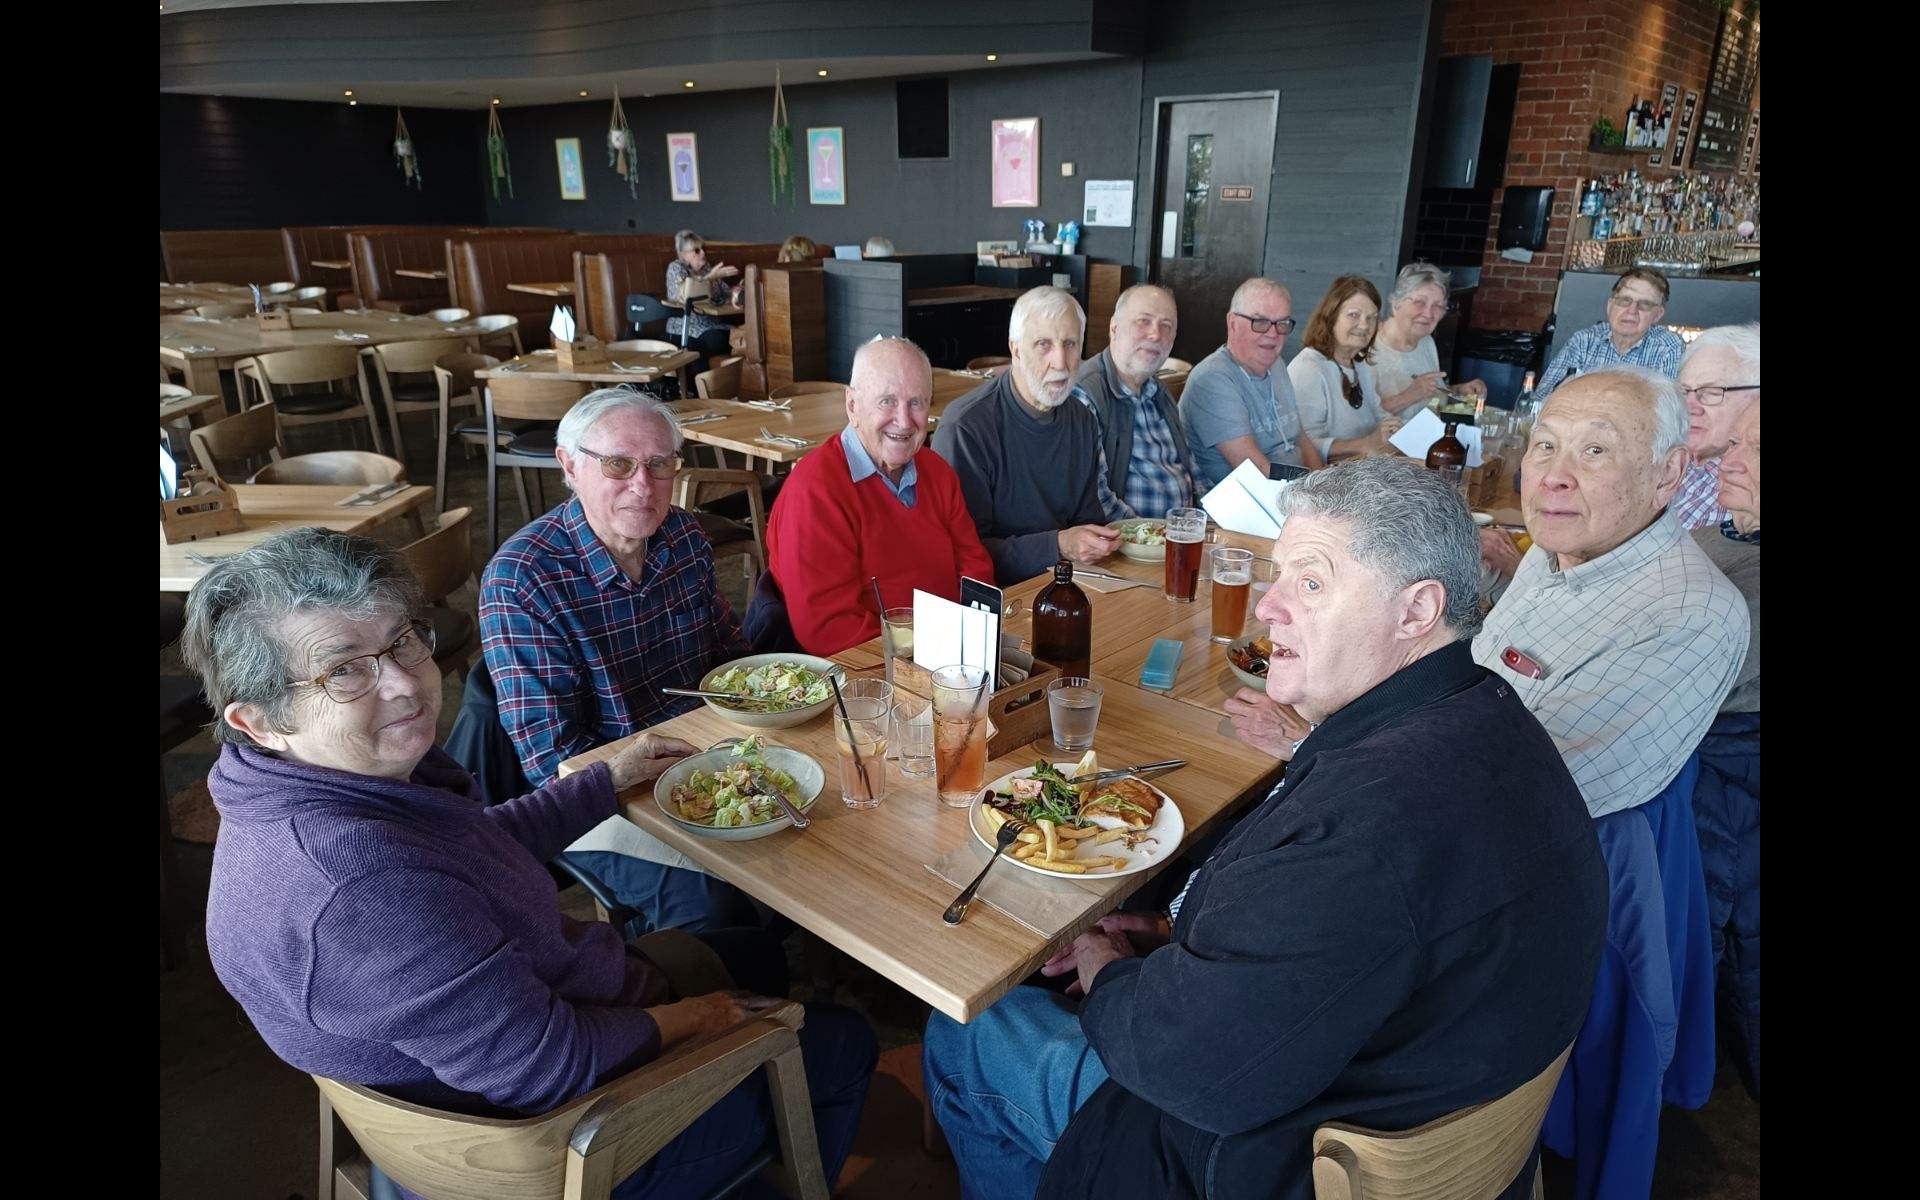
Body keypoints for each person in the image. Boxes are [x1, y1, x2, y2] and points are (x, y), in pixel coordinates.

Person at [923, 457, 1608, 1200]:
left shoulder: (1367, 824)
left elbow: (1188, 1070)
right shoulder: (1489, 715)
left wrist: (1107, 968)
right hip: (1413, 1084)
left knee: (966, 1031)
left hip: (1241, 1162)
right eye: (1279, 576)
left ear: (1417, 611)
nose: (1268, 607)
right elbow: (1344, 947)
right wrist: (1178, 936)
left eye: (1311, 584)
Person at [185, 528, 876, 1199]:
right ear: (258, 721)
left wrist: (605, 780)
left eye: (400, 642)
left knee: (756, 950)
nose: (401, 684)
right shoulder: (360, 888)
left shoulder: (304, 790)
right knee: (843, 1043)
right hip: (561, 1145)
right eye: (343, 670)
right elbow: (550, 1067)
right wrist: (703, 1019)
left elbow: (474, 853)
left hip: (506, 1040)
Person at [480, 389, 760, 932]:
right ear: (569, 466)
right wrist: (668, 781)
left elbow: (730, 658)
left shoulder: (684, 536)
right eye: (618, 464)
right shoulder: (523, 579)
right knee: (716, 909)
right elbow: (550, 760)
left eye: (659, 464)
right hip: (597, 791)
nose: (643, 485)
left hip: (702, 755)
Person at [1473, 366, 1748, 818]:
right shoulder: (1557, 543)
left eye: (1595, 450)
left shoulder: (1693, 616)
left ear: (1668, 474)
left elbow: (1524, 794)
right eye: (1546, 445)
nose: (1553, 476)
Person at [765, 336, 996, 655]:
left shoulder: (937, 471)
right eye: (887, 401)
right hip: (869, 674)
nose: (904, 421)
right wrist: (933, 653)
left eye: (916, 403)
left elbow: (975, 569)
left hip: (955, 658)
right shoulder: (814, 491)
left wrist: (971, 641)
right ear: (852, 406)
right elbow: (828, 631)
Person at [932, 285, 1118, 582]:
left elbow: (1088, 520)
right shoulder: (966, 427)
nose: (1060, 362)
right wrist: (1058, 545)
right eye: (1044, 344)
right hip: (1000, 594)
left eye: (1070, 344)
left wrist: (1094, 543)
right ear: (1016, 350)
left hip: (1069, 581)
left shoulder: (1081, 418)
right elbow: (962, 554)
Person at [1690, 400, 1760, 1098]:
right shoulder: (1714, 537)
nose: (1729, 460)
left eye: (1756, 449)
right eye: (1733, 443)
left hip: (1722, 773)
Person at [1178, 276, 1325, 491]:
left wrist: (1324, 483)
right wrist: (1314, 491)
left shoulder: (1276, 365)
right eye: (1260, 322)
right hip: (1247, 502)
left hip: (1295, 491)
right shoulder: (1212, 379)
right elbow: (1257, 471)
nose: (1273, 334)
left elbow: (1300, 437)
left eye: (1282, 323)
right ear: (1233, 323)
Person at [1072, 283, 1196, 520]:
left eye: (1166, 325)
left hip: (1181, 532)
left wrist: (1208, 522)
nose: (1155, 334)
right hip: (1126, 538)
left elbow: (1192, 467)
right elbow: (1094, 496)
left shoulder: (1159, 391)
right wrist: (1148, 534)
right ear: (1114, 328)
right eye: (1143, 321)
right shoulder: (1085, 393)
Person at [1291, 275, 1403, 460]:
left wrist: (1394, 427)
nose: (1364, 325)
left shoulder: (1361, 366)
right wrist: (1366, 443)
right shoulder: (1308, 368)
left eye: (1371, 318)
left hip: (1365, 468)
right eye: (1354, 315)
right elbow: (1303, 445)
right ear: (1331, 317)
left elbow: (1379, 415)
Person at [1534, 267, 1685, 401]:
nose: (1632, 311)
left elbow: (1667, 412)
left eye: (1645, 305)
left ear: (1657, 315)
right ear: (1610, 305)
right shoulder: (1584, 341)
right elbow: (1541, 398)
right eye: (1624, 300)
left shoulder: (1668, 348)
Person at [1671, 322, 1761, 529]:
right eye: (1684, 391)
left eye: (1712, 392)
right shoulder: (1662, 458)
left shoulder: (1740, 489)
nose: (1690, 406)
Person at [1370, 262, 1486, 412]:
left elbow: (1431, 396)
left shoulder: (1426, 342)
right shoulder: (1367, 348)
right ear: (1396, 303)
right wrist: (1409, 396)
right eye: (1420, 302)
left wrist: (1459, 392)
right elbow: (1355, 419)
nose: (1428, 314)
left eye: (1437, 306)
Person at [662, 229, 740, 358]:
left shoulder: (706, 268)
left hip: (711, 324)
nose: (703, 253)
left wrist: (736, 291)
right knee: (720, 339)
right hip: (686, 327)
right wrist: (710, 278)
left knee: (742, 334)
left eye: (703, 248)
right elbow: (687, 296)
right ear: (684, 255)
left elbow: (726, 292)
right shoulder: (676, 268)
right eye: (697, 250)